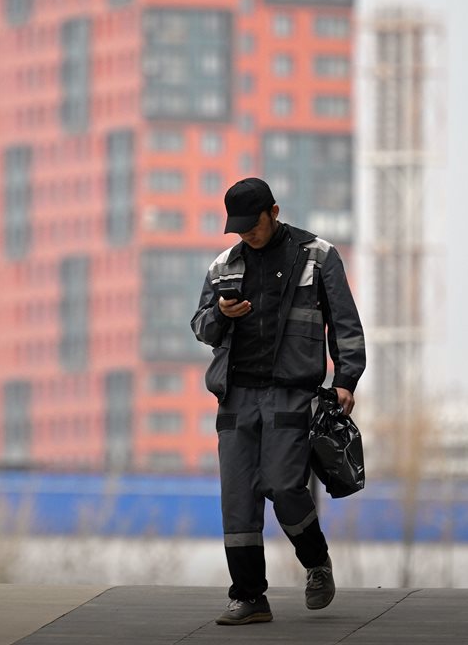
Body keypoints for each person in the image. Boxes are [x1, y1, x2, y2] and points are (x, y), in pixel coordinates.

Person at [190, 177, 366, 625]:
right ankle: (249, 597)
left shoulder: (319, 257)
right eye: (240, 227)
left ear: (274, 211)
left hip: (292, 391)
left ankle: (316, 563)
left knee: (284, 485)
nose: (247, 234)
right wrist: (219, 316)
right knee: (238, 498)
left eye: (254, 224)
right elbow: (201, 327)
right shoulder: (223, 265)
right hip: (236, 398)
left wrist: (346, 378)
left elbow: (345, 324)